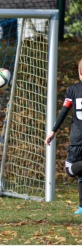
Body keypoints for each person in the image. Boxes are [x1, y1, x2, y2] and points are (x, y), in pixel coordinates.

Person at [45, 58, 82, 214]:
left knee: (70, 170)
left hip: (77, 140)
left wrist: (53, 130)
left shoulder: (73, 90)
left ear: (80, 72)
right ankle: (81, 206)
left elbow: (64, 112)